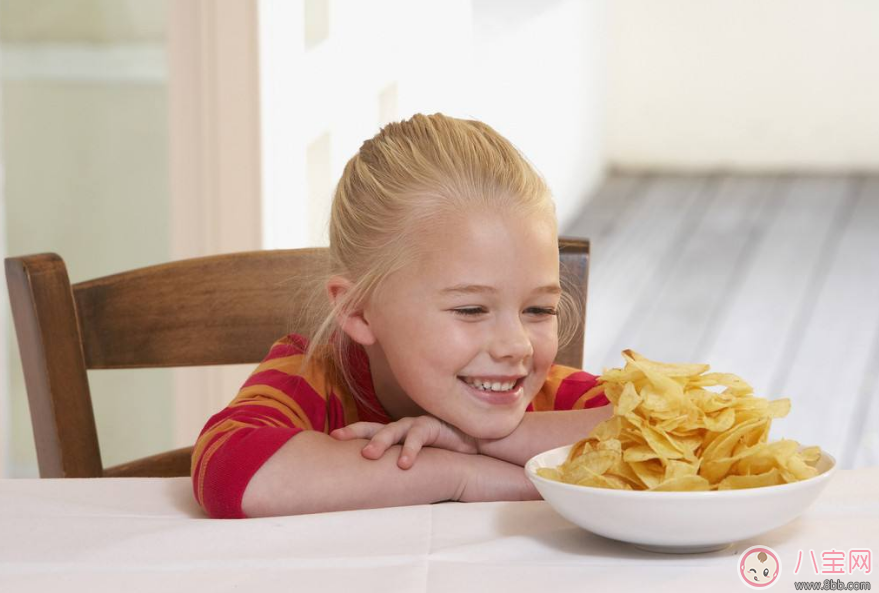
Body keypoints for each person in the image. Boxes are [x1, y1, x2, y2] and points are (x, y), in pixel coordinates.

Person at [190, 113, 613, 519]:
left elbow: (655, 427)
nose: (517, 345)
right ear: (358, 310)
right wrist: (457, 474)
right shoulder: (312, 379)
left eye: (539, 309)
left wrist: (474, 442)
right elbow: (228, 471)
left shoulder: (553, 396)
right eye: (470, 309)